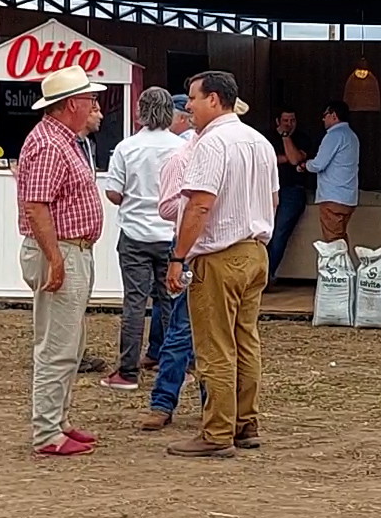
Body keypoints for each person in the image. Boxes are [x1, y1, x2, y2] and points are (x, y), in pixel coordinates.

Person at [161, 75, 276, 456]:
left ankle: (216, 432)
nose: (188, 106)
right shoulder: (259, 141)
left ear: (213, 99)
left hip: (219, 255)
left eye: (192, 98)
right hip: (255, 250)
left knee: (215, 346)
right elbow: (272, 200)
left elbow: (200, 204)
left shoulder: (212, 143)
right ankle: (246, 423)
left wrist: (179, 256)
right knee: (246, 342)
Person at [14, 65, 109, 457]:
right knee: (57, 344)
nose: (94, 105)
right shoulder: (51, 145)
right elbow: (36, 207)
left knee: (68, 340)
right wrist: (55, 258)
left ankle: (58, 422)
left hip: (71, 248)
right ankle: (47, 432)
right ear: (72, 104)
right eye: (89, 98)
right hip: (62, 249)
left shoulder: (61, 140)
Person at [96, 87, 187, 390]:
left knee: (134, 301)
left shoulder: (126, 147)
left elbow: (113, 192)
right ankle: (176, 366)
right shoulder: (181, 148)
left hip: (134, 233)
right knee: (170, 300)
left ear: (140, 111)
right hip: (170, 234)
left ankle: (127, 371)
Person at [266, 109, 316, 280]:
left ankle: (266, 276)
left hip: (292, 192)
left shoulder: (302, 138)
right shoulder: (267, 137)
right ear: (277, 121)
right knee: (263, 232)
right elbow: (264, 159)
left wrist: (286, 137)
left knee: (279, 233)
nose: (289, 124)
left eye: (292, 120)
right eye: (285, 120)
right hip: (266, 190)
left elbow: (295, 159)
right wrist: (284, 157)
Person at [303, 100, 360, 245]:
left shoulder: (334, 135)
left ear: (333, 115)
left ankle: (340, 268)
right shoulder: (352, 136)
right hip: (348, 197)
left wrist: (305, 165)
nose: (323, 119)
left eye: (325, 115)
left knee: (333, 243)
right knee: (339, 238)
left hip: (333, 197)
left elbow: (318, 164)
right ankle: (345, 266)